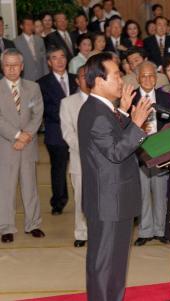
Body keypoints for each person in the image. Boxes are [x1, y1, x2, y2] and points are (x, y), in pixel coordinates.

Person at [78, 52, 151, 300]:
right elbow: (116, 151)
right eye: (117, 75)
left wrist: (124, 113)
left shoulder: (105, 109)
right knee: (104, 265)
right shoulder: (96, 112)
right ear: (99, 81)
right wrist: (138, 123)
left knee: (117, 265)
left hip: (117, 199)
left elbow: (118, 138)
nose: (122, 80)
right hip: (108, 201)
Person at [0, 48, 45, 243]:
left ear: (22, 66)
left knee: (30, 187)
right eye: (7, 65)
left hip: (28, 145)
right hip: (6, 145)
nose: (11, 69)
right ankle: (6, 227)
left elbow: (37, 114)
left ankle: (33, 224)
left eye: (15, 65)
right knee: (6, 188)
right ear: (2, 67)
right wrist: (17, 135)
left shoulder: (33, 87)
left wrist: (26, 136)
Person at [132, 61, 170, 246]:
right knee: (142, 192)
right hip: (139, 151)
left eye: (152, 76)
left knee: (160, 191)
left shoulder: (165, 97)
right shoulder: (130, 99)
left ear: (156, 78)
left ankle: (160, 230)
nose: (148, 79)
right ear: (138, 78)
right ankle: (145, 231)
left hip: (160, 151)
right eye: (144, 76)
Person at [38, 47, 78, 215]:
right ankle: (58, 202)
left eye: (62, 57)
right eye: (55, 58)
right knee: (58, 168)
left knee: (79, 168)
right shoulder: (42, 83)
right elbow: (44, 108)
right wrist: (66, 115)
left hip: (77, 131)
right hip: (56, 132)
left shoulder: (76, 79)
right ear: (49, 62)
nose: (60, 61)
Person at [59, 66, 89, 248]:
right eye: (83, 77)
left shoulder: (105, 101)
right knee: (81, 197)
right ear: (77, 80)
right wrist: (85, 148)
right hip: (80, 158)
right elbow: (67, 133)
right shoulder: (67, 103)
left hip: (104, 160)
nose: (87, 79)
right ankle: (81, 232)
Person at [14, 16, 49, 82]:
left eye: (32, 24)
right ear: (21, 26)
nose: (30, 27)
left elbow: (44, 60)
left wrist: (47, 76)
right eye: (28, 24)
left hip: (41, 77)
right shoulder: (16, 42)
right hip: (25, 78)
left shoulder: (40, 40)